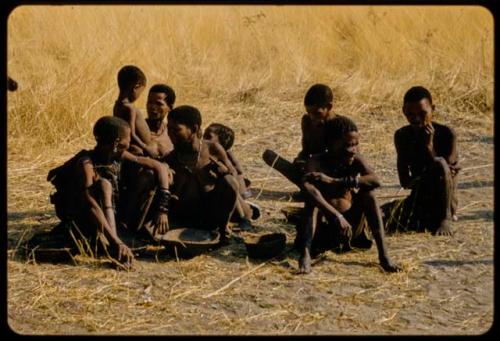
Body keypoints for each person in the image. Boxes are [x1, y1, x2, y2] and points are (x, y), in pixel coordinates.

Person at [47, 116, 171, 269]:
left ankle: (122, 233)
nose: (130, 142)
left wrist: (163, 206)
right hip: (83, 217)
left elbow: (158, 166)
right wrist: (116, 243)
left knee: (147, 175)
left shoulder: (118, 155)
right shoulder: (86, 164)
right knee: (104, 186)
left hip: (108, 215)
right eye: (128, 138)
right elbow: (91, 206)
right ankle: (111, 244)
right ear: (117, 142)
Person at [297, 115, 400, 274]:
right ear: (330, 144)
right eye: (348, 145)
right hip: (324, 229)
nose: (353, 150)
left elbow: (375, 180)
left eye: (356, 145)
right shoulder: (316, 162)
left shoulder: (356, 160)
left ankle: (384, 256)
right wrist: (336, 216)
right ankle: (306, 253)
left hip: (352, 229)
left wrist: (336, 181)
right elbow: (308, 188)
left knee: (370, 195)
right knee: (311, 201)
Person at [381, 86, 459, 236]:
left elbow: (446, 173)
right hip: (418, 200)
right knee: (377, 214)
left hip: (443, 204)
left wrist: (429, 147)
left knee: (439, 163)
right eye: (410, 114)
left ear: (432, 109)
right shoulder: (402, 135)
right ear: (403, 111)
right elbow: (405, 181)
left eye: (422, 113)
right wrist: (421, 180)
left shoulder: (447, 134)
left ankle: (446, 219)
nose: (416, 119)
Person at [164, 105, 240, 244]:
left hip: (211, 212)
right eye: (168, 129)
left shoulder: (212, 148)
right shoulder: (171, 158)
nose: (170, 134)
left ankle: (223, 228)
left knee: (229, 181)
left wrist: (224, 171)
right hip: (186, 216)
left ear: (194, 129)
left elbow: (234, 174)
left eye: (176, 130)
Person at [119, 83, 176, 235]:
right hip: (137, 183)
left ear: (170, 107)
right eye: (149, 102)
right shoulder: (139, 129)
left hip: (166, 187)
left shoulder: (172, 132)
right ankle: (129, 226)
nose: (152, 107)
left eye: (158, 103)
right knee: (148, 175)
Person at [262, 83, 337, 195]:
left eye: (317, 113)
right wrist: (300, 159)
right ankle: (308, 188)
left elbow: (340, 160)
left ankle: (315, 192)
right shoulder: (307, 121)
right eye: (309, 112)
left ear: (329, 107)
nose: (312, 117)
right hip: (310, 172)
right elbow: (306, 150)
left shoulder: (339, 126)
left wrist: (315, 163)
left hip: (330, 179)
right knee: (269, 156)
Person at [203, 123, 260, 231]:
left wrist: (224, 171)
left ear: (221, 143)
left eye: (208, 136)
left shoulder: (222, 154)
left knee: (229, 183)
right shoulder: (204, 151)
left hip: (235, 193)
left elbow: (236, 171)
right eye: (204, 135)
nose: (204, 139)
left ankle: (244, 218)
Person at [113, 65, 158, 158]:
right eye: (140, 92)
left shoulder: (117, 105)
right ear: (136, 87)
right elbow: (131, 134)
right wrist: (146, 148)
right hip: (140, 149)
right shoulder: (130, 108)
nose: (139, 96)